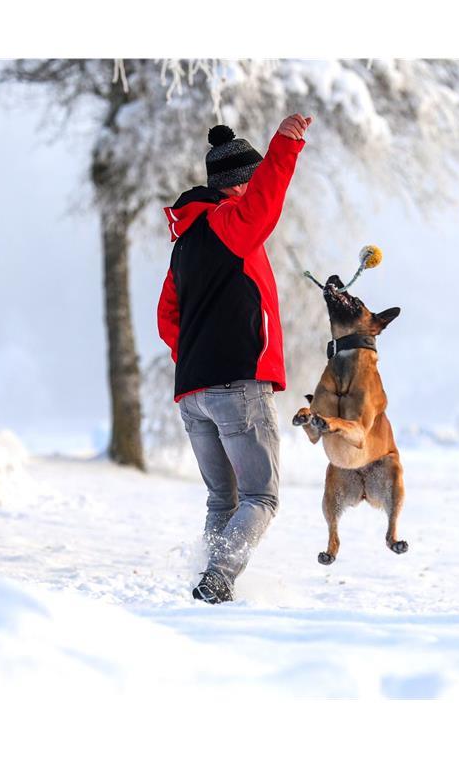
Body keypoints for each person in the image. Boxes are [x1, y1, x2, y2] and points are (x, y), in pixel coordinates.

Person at [157, 113, 312, 603]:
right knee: (261, 497)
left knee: (222, 499)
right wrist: (285, 146)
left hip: (193, 393)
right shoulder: (230, 224)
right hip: (236, 388)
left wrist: (198, 359)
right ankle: (217, 579)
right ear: (238, 186)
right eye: (252, 179)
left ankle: (212, 583)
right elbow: (265, 200)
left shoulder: (184, 246)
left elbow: (167, 317)